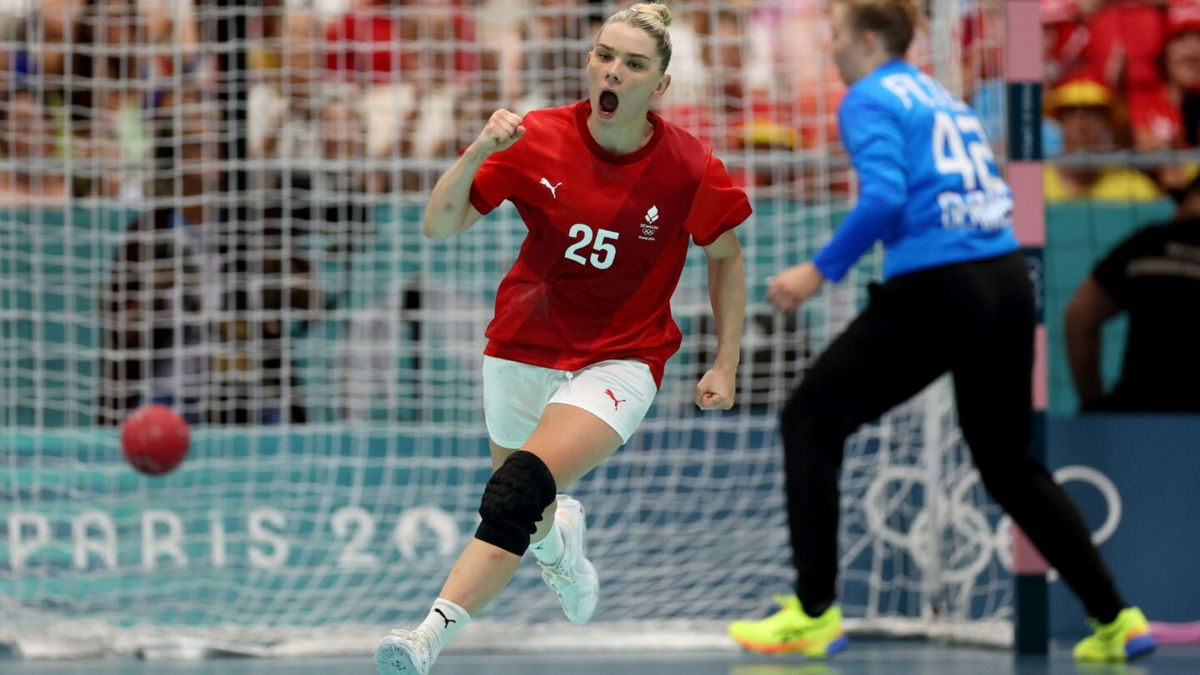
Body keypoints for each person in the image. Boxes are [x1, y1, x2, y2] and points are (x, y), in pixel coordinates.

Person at [727, 0, 1154, 664]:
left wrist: (819, 270)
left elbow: (884, 197)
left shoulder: (868, 96)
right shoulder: (940, 96)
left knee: (809, 419)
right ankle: (1117, 617)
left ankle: (813, 612)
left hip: (940, 282)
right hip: (1008, 280)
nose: (830, 47)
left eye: (835, 34)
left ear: (868, 39)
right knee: (1010, 466)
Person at [375, 3, 750, 674]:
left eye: (634, 64)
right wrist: (478, 150)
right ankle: (561, 546)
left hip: (622, 358)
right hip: (519, 348)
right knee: (531, 509)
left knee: (515, 491)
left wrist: (725, 360)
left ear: (658, 86)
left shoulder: (690, 165)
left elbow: (725, 255)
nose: (613, 70)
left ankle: (424, 637)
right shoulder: (538, 135)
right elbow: (439, 224)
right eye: (605, 54)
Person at [1065, 173, 1200, 413]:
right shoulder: (1147, 243)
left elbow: (1078, 317)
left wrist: (1092, 403)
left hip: (1139, 408)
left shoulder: (1147, 243)